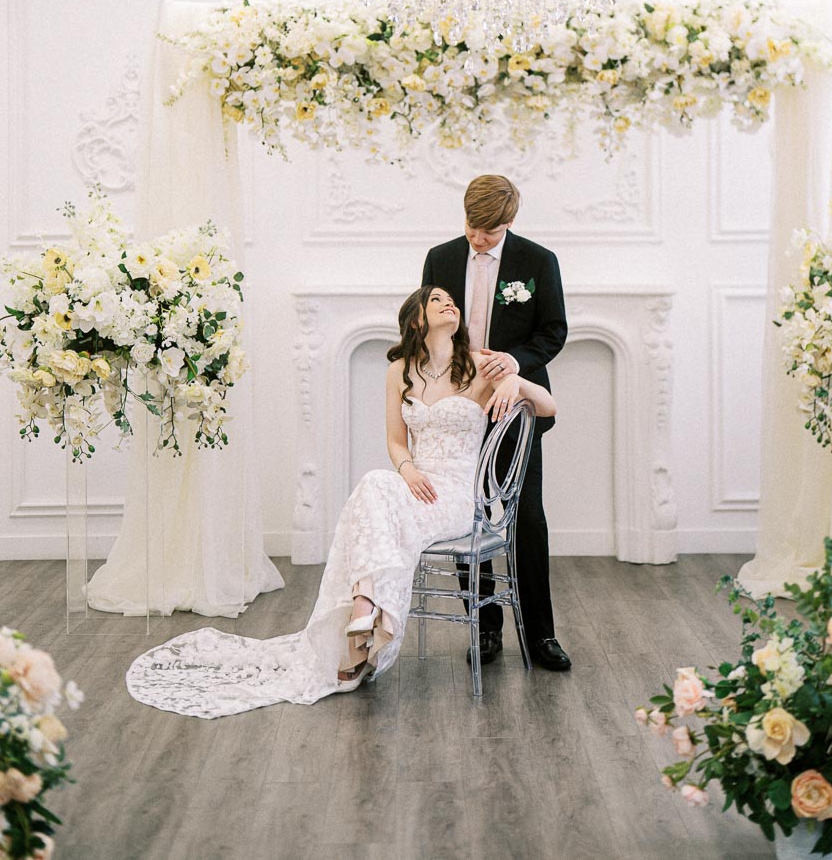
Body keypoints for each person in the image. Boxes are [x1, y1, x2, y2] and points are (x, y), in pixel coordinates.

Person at [124, 286, 555, 718]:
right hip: (415, 485)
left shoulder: (481, 364)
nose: (450, 304)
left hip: (458, 497)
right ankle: (366, 612)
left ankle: (361, 623)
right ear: (416, 322)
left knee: (374, 498)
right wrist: (407, 470)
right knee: (375, 483)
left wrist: (516, 380)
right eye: (437, 300)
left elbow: (549, 406)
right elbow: (395, 441)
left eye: (451, 300)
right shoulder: (400, 370)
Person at [422, 174, 571, 672]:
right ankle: (483, 629)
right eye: (470, 226)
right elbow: (430, 326)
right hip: (460, 406)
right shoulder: (440, 259)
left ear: (509, 222)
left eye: (488, 231)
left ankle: (541, 633)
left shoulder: (538, 261)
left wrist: (513, 363)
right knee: (472, 516)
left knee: (526, 517)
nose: (476, 238)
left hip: (516, 406)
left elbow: (554, 331)